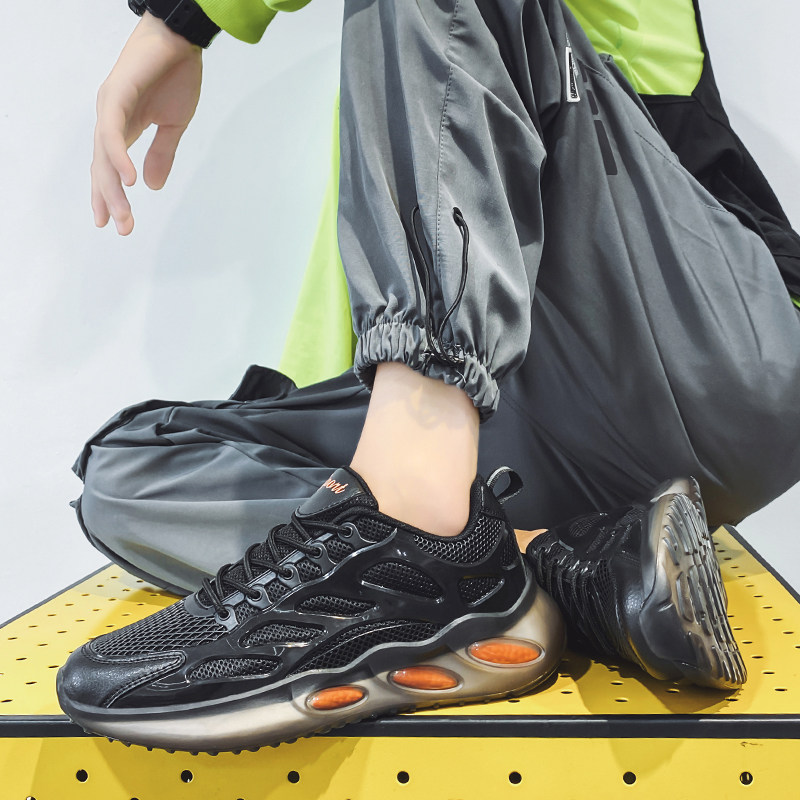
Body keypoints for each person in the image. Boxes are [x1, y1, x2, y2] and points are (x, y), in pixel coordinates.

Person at [57, 0, 800, 752]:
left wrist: (178, 23)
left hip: (695, 345)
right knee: (125, 472)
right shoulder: (417, 89)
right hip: (503, 427)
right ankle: (543, 565)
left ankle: (416, 519)